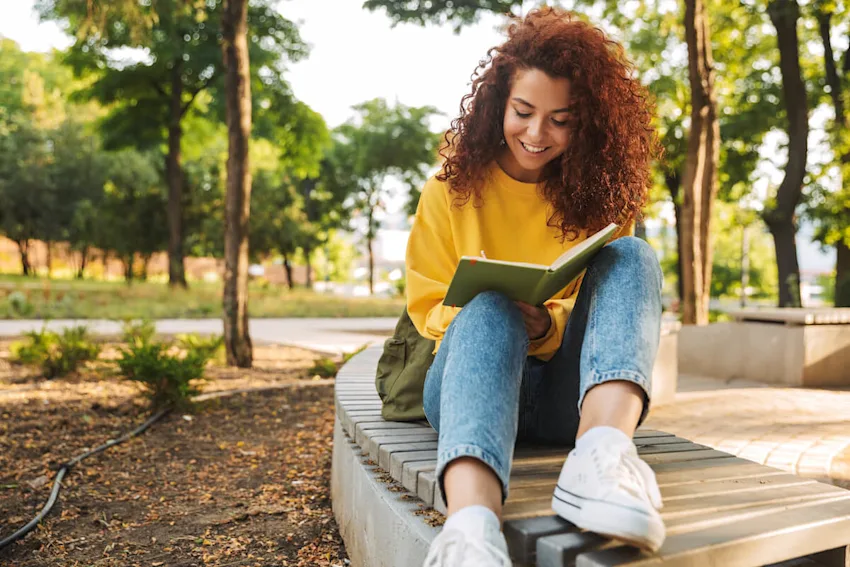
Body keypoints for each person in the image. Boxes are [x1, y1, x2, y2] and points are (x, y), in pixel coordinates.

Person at [404, 7, 666, 566]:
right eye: (523, 112)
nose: (536, 134)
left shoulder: (601, 200)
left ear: (586, 123)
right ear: (499, 103)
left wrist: (547, 325)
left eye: (561, 120)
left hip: (566, 399)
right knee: (491, 306)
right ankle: (470, 531)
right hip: (466, 385)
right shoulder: (448, 189)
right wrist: (497, 314)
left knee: (633, 255)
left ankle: (602, 457)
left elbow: (608, 320)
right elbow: (427, 306)